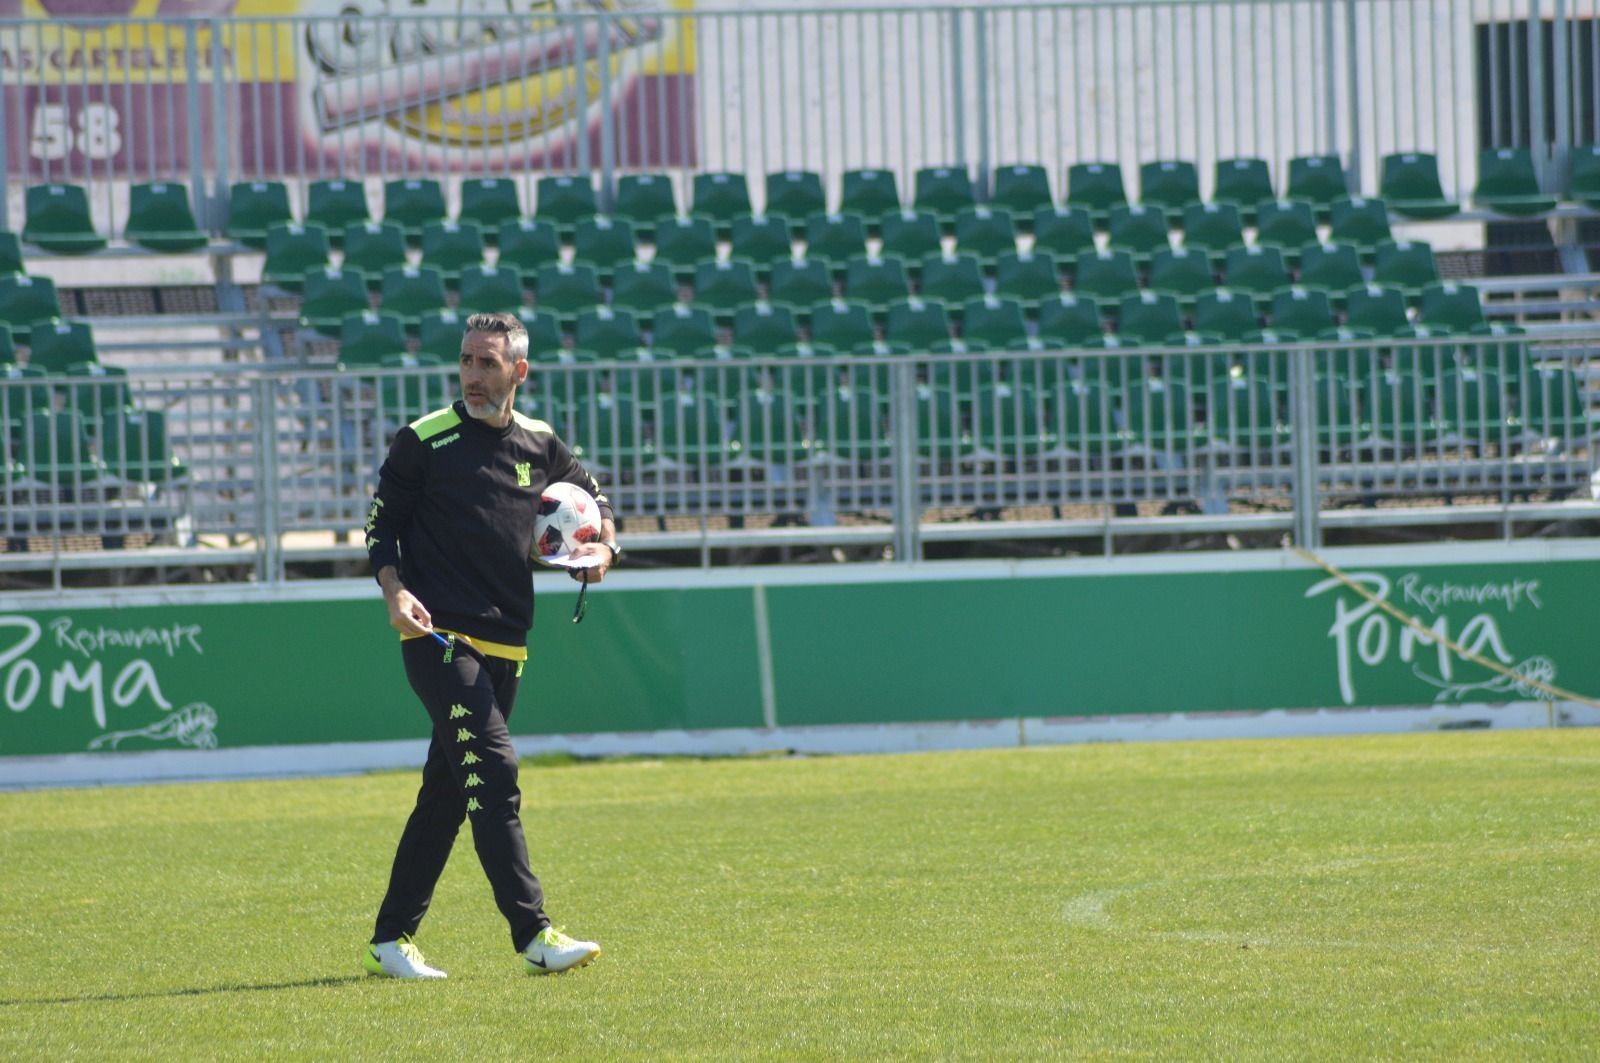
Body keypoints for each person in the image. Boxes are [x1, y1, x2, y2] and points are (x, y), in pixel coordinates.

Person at [360, 311, 620, 979]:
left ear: (519, 371)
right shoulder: (423, 440)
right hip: (439, 635)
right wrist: (393, 591)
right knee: (496, 774)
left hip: (510, 644)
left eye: (488, 363)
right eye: (466, 360)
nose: (473, 375)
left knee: (448, 793)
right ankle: (534, 932)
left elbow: (594, 501)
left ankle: (391, 939)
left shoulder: (541, 442)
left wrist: (603, 550)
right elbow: (380, 530)